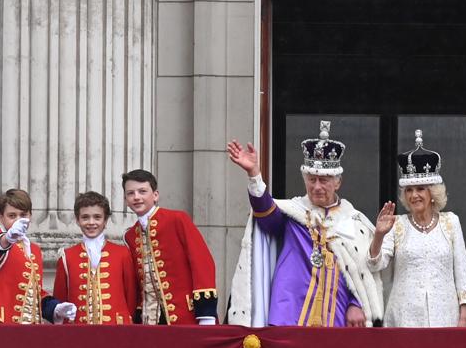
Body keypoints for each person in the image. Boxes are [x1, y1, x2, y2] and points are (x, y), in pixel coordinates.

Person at [225, 124, 382, 327]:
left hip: (338, 314)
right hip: (289, 312)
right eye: (311, 179)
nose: (316, 186)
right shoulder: (293, 213)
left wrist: (356, 303)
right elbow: (265, 216)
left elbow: (363, 270)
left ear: (338, 183)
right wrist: (254, 175)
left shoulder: (354, 221)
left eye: (324, 180)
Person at [368, 131, 466, 327]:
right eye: (409, 190)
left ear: (432, 192)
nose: (414, 195)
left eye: (420, 188)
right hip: (403, 318)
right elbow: (376, 264)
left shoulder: (450, 222)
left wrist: (463, 317)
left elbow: (462, 272)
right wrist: (379, 236)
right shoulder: (397, 224)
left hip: (445, 317)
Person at [122, 169, 219, 324]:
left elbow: (202, 262)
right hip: (149, 320)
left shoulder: (177, 219)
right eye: (130, 193)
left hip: (187, 315)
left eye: (142, 191)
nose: (136, 197)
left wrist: (206, 313)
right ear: (126, 200)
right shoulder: (130, 235)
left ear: (155, 195)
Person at [45, 192, 142, 324]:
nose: (91, 222)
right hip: (78, 331)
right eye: (85, 217)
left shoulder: (123, 253)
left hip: (117, 329)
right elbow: (61, 299)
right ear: (77, 220)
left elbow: (131, 296)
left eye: (97, 217)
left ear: (105, 220)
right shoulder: (66, 256)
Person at [0, 188, 45, 324]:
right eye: (12, 216)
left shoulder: (35, 250)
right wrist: (7, 239)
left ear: (31, 216)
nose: (18, 221)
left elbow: (35, 291)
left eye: (23, 215)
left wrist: (55, 307)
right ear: (1, 217)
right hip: (1, 323)